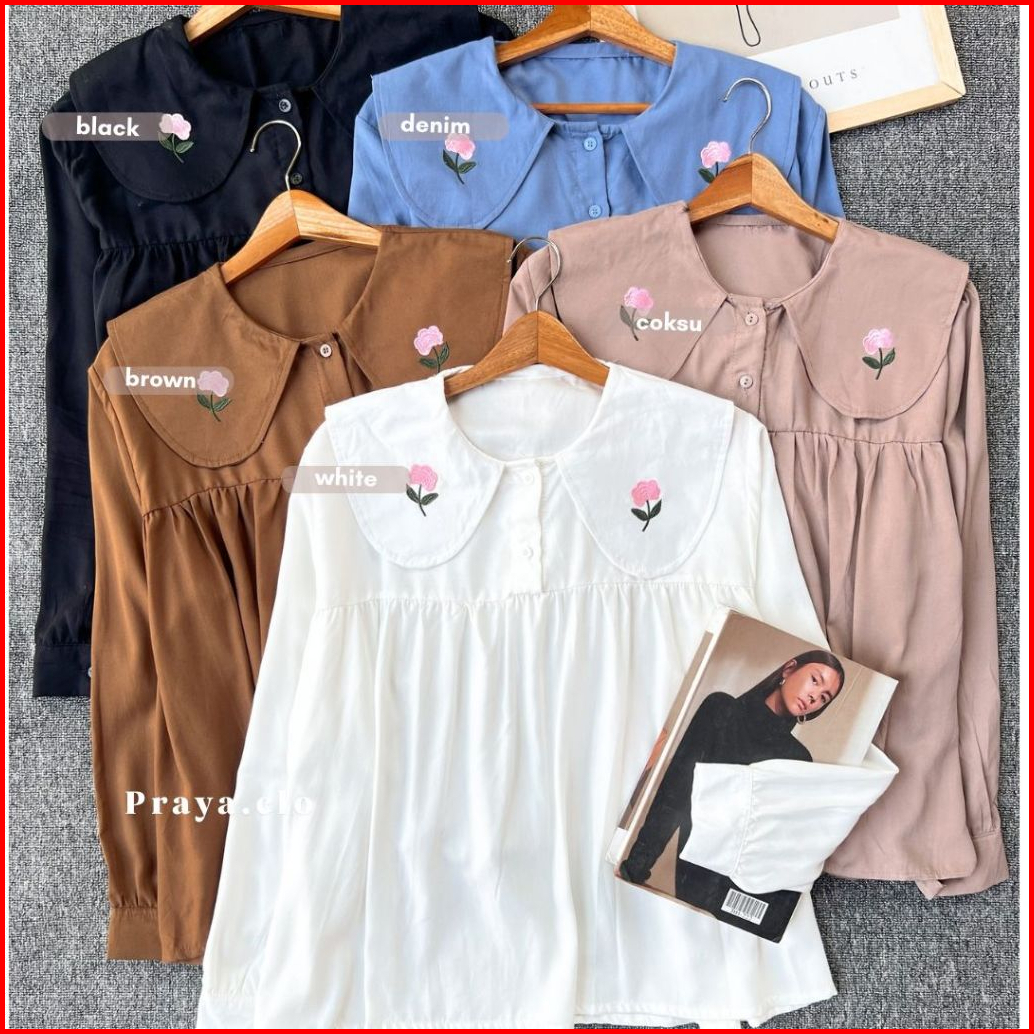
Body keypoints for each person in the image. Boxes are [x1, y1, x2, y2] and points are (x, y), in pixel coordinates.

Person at [621, 651, 845, 900]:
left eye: (824, 698)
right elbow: (675, 793)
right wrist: (636, 866)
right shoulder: (720, 709)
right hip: (701, 871)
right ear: (789, 669)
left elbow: (778, 842)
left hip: (751, 883)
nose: (814, 697)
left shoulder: (799, 759)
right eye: (815, 680)